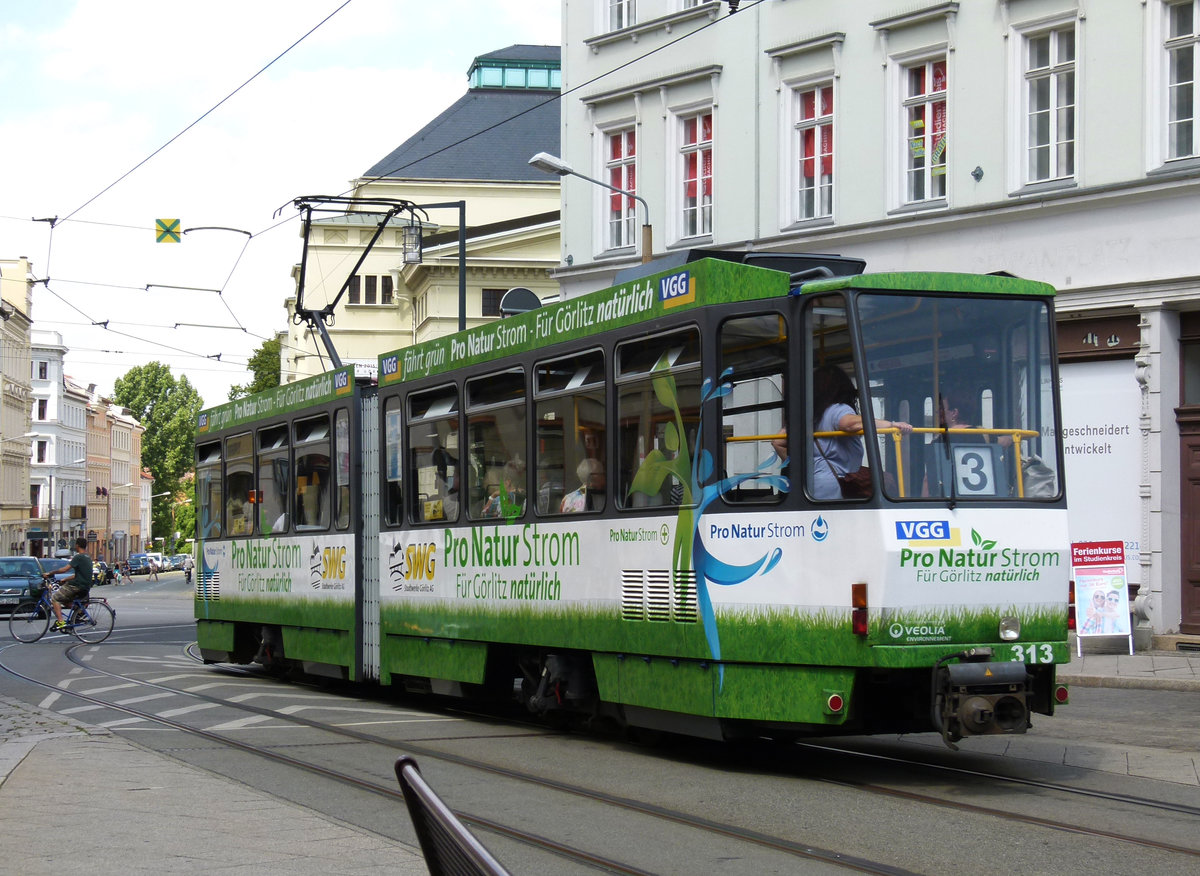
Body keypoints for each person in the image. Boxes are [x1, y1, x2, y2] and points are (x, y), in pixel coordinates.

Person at [811, 364, 911, 500]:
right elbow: (850, 423)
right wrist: (891, 425)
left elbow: (779, 442)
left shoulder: (810, 416)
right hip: (837, 484)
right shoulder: (837, 410)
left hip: (811, 482)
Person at [45, 537, 93, 632]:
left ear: (77, 545)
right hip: (85, 587)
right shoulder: (88, 558)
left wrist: (49, 573)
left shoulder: (78, 557)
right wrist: (65, 579)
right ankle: (78, 613)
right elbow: (78, 574)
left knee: (55, 598)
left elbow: (64, 569)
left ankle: (60, 621)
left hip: (76, 586)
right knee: (65, 600)